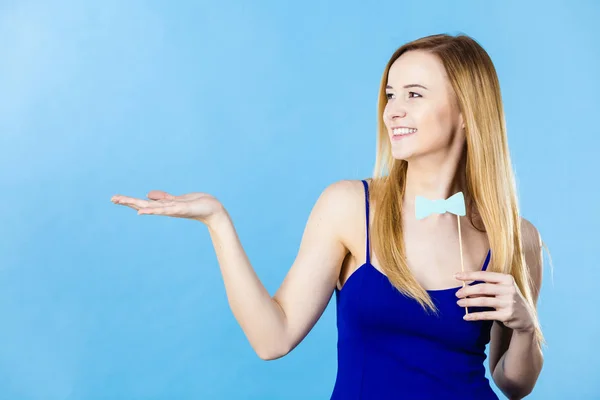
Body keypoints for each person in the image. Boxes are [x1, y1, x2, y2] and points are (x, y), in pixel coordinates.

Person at [111, 33, 545, 399]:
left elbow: (512, 383)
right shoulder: (349, 207)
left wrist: (526, 327)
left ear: (468, 111)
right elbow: (272, 338)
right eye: (390, 94)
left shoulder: (515, 237)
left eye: (414, 95)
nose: (393, 110)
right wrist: (217, 221)